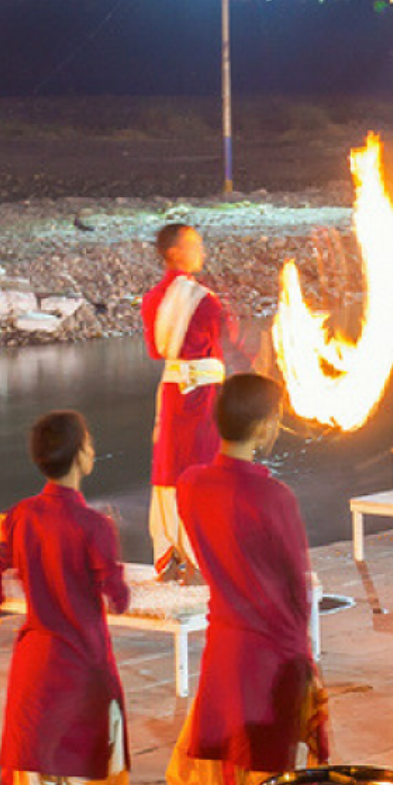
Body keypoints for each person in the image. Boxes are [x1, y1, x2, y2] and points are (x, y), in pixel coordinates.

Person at [167, 374, 327, 785]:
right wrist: (307, 664)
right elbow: (293, 587)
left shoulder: (190, 485)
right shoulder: (273, 496)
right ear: (265, 427)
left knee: (202, 780)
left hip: (222, 653)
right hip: (271, 658)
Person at [0, 411, 134, 785]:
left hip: (35, 660)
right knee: (91, 781)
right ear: (80, 455)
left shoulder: (20, 515)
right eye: (91, 440)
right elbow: (116, 596)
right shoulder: (93, 524)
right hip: (83, 664)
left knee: (39, 774)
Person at [141, 223, 227, 578]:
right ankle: (202, 553)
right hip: (202, 397)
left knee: (170, 466)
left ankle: (172, 552)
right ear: (174, 252)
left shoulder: (153, 299)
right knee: (202, 466)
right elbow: (224, 345)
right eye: (194, 244)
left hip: (173, 393)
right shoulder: (202, 300)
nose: (201, 250)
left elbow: (154, 350)